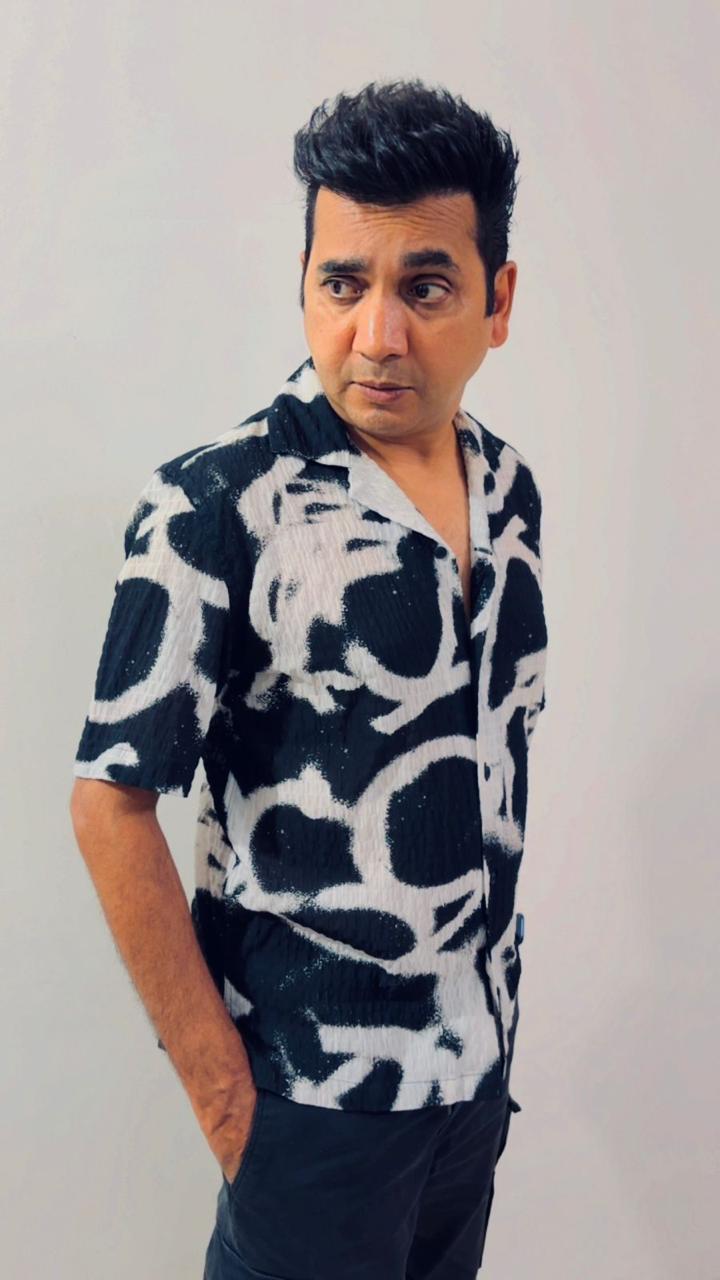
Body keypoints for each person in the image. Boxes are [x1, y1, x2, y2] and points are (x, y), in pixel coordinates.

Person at [69, 77, 548, 1279]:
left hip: (473, 1082)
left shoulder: (511, 493)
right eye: (343, 283)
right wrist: (226, 1097)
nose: (376, 334)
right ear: (305, 284)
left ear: (496, 300)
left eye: (424, 286)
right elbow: (111, 802)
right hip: (309, 1104)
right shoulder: (220, 503)